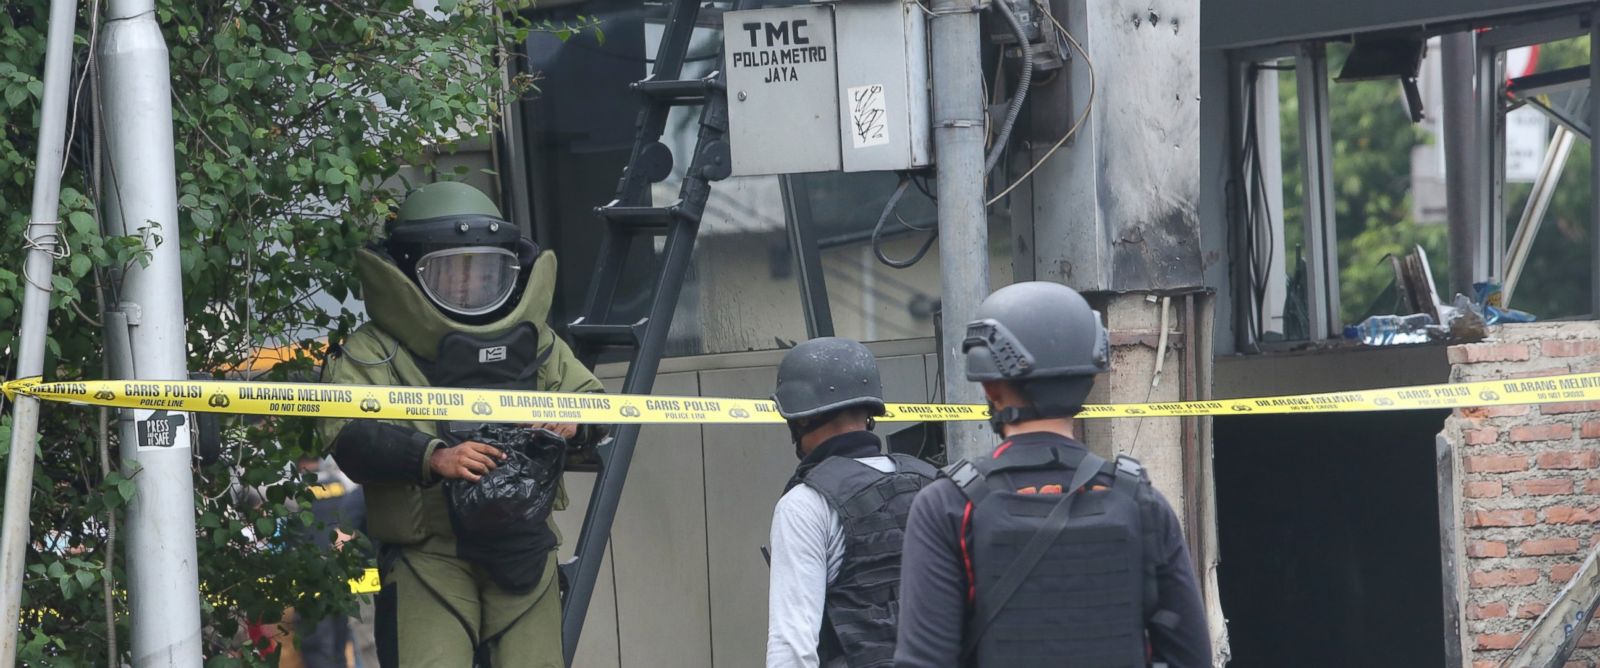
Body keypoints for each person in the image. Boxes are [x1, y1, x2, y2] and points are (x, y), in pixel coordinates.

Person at [318, 181, 605, 667]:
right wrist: (435, 457)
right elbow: (349, 434)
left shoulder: (538, 342)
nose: (469, 285)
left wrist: (576, 420)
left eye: (485, 271)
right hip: (430, 558)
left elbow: (595, 403)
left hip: (525, 549)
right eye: (451, 272)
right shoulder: (375, 349)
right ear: (408, 272)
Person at [893, 282, 1212, 668]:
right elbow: (1190, 655)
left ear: (991, 388)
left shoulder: (946, 507)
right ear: (1089, 379)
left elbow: (924, 660)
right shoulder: (1140, 502)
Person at [765, 337, 937, 668]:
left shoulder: (805, 505)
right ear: (869, 412)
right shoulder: (934, 483)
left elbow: (791, 644)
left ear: (800, 419)